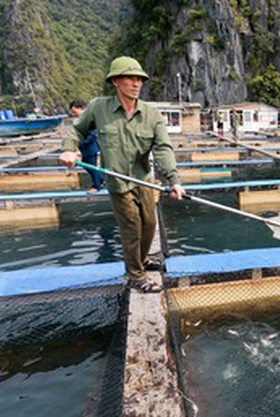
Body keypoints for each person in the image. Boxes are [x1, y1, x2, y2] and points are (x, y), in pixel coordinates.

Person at [58, 56, 186, 293]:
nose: (136, 84)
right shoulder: (99, 107)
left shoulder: (151, 114)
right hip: (117, 182)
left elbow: (163, 148)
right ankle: (136, 276)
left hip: (144, 179)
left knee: (149, 224)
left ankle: (143, 259)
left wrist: (174, 180)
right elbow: (77, 130)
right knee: (132, 228)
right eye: (130, 78)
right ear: (116, 81)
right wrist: (69, 148)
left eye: (139, 79)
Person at [67, 99, 103, 193]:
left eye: (75, 112)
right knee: (87, 165)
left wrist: (82, 142)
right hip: (85, 148)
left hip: (90, 147)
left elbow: (92, 134)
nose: (74, 114)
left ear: (81, 108)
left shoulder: (89, 118)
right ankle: (101, 179)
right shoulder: (81, 121)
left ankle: (97, 186)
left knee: (91, 166)